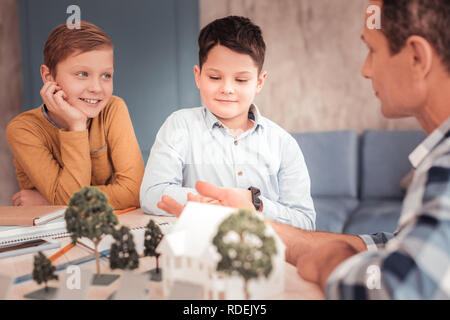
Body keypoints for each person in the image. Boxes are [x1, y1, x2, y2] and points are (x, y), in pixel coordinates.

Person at [171, 0, 450, 299]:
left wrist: (333, 260)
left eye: (372, 50)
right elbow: (396, 247)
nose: (365, 70)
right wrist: (244, 223)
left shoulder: (444, 166)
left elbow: (392, 290)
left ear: (417, 58)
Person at [140, 16, 316, 230]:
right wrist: (218, 203)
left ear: (259, 82)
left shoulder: (282, 144)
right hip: (198, 250)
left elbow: (305, 223)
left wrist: (255, 204)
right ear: (198, 76)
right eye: (215, 77)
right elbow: (151, 193)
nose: (227, 88)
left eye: (241, 80)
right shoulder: (179, 126)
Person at [6, 21, 144, 210]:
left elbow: (134, 192)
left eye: (106, 76)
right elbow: (69, 198)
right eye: (82, 74)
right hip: (53, 235)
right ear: (48, 77)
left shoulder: (113, 109)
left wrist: (51, 201)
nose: (96, 88)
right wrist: (77, 126)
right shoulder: (23, 130)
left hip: (106, 228)